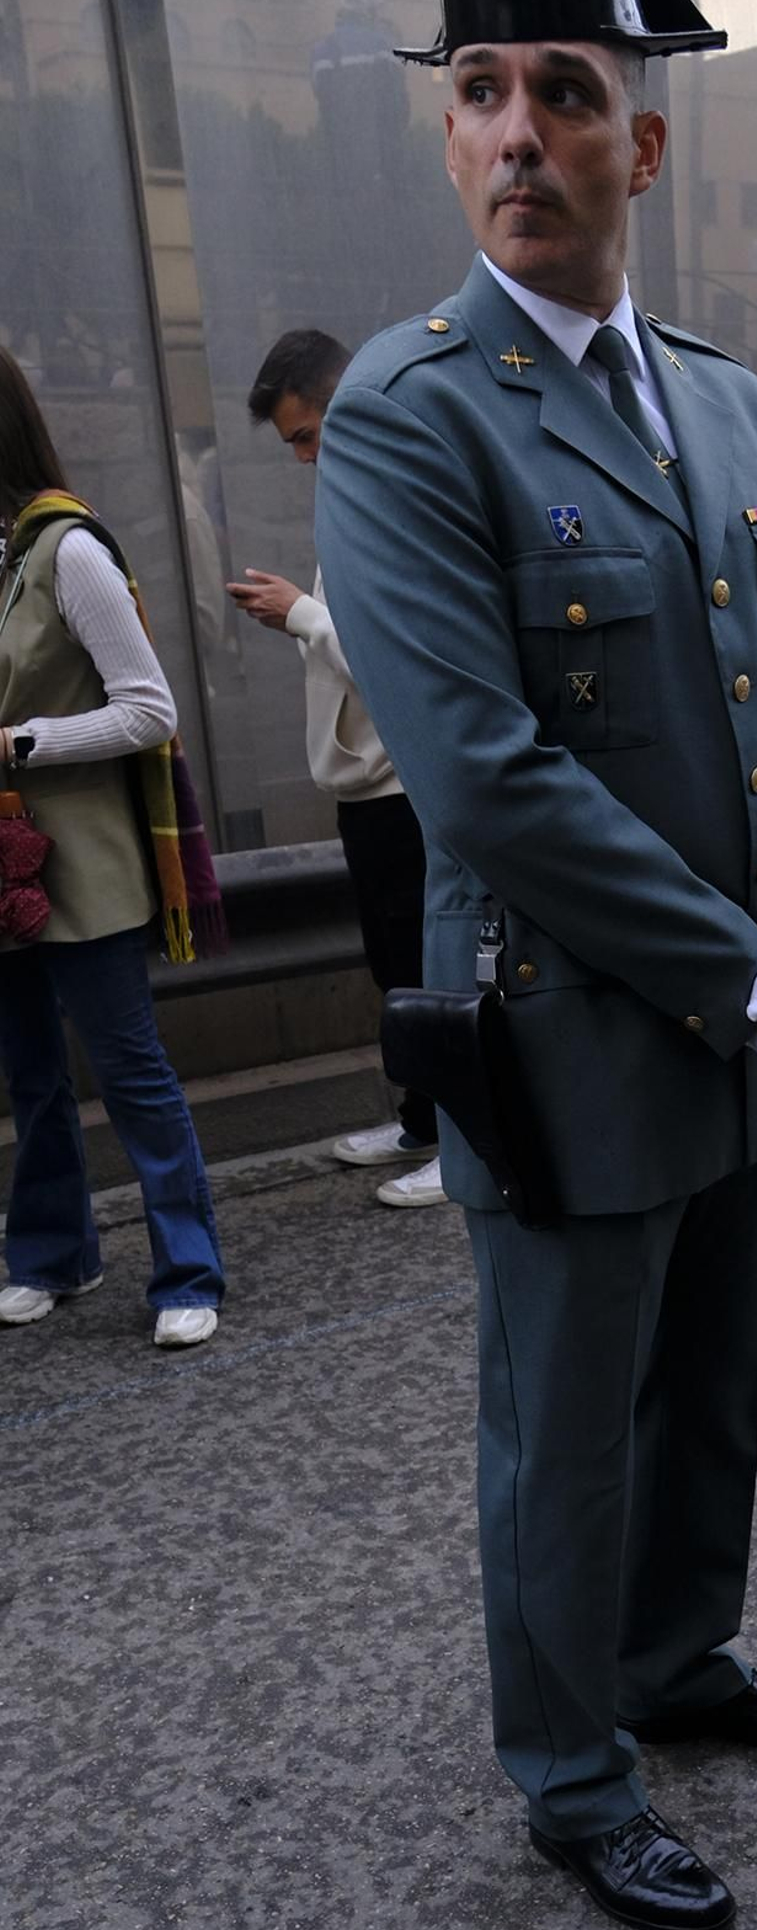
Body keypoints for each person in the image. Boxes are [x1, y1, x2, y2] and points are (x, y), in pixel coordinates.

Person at [314, 0, 757, 1930]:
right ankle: (569, 1767)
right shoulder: (409, 418)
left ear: (638, 141)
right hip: (567, 1028)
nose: (515, 132)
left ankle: (674, 1658)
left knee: (709, 1381)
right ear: (448, 133)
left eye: (560, 91)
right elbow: (478, 780)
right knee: (564, 1425)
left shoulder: (722, 404)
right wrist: (749, 965)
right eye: (477, 90)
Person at [0, 348, 226, 1345]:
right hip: (6, 866)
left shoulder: (68, 550)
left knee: (129, 1066)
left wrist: (19, 743)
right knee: (28, 1074)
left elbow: (149, 709)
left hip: (83, 862)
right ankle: (54, 1251)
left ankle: (189, 1268)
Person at [231, 330, 443, 1209]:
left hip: (406, 786)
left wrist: (304, 615)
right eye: (293, 442)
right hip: (368, 787)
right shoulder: (356, 500)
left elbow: (412, 662)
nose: (306, 456)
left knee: (430, 970)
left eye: (309, 433)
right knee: (397, 967)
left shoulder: (398, 498)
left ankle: (462, 1143)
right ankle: (423, 1121)